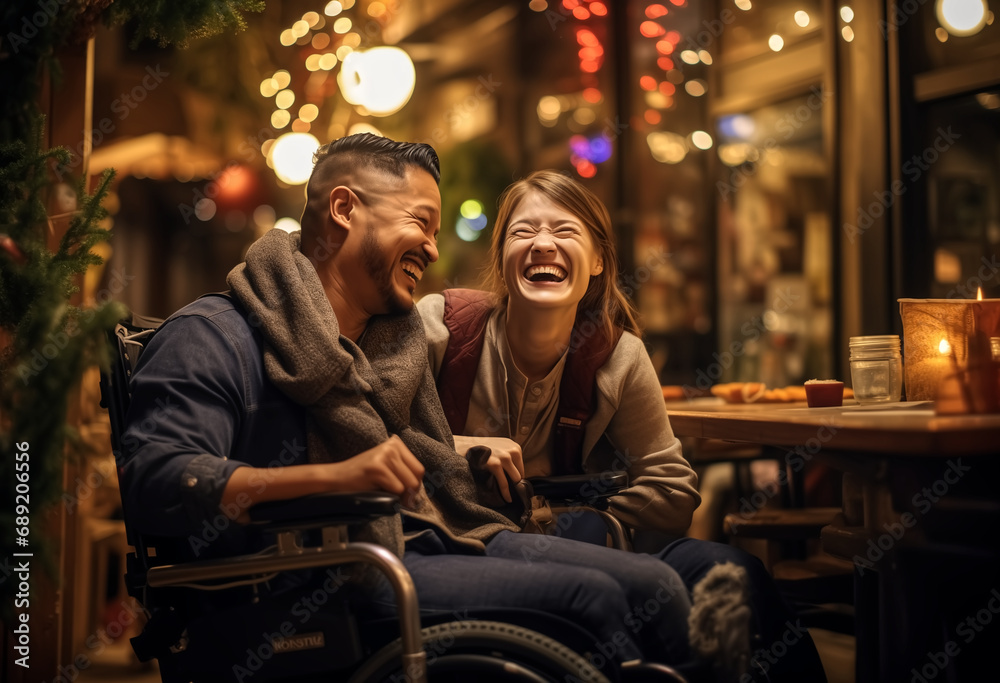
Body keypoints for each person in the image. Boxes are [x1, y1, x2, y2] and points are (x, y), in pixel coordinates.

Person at [120, 134, 724, 680]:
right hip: (326, 576)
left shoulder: (389, 340)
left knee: (658, 582)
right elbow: (155, 479)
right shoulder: (214, 336)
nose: (434, 249)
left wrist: (453, 452)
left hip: (436, 531)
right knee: (598, 600)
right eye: (421, 223)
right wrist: (333, 478)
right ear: (344, 209)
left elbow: (425, 455)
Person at [417, 169, 829, 683]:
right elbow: (371, 434)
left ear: (597, 261)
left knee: (739, 572)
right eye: (523, 232)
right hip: (464, 545)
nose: (542, 243)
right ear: (501, 255)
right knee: (646, 590)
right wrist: (461, 444)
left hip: (571, 540)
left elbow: (674, 496)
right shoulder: (441, 325)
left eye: (565, 231)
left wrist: (568, 507)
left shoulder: (617, 356)